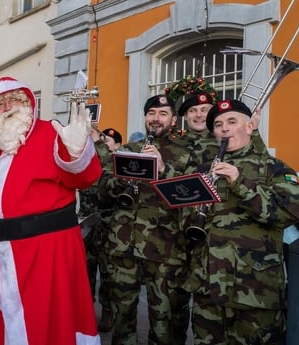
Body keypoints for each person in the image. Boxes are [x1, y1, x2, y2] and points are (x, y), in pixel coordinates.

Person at [0, 77, 102, 344]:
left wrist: (77, 152)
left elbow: (82, 178)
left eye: (15, 100)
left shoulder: (50, 134)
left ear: (28, 104)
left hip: (45, 251)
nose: (8, 107)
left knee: (45, 324)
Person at [183, 99, 299, 344]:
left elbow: (292, 213)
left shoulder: (274, 168)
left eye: (231, 121)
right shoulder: (203, 170)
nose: (224, 129)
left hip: (255, 290)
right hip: (208, 286)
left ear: (250, 127)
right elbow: (185, 223)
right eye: (218, 125)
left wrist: (240, 183)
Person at [98, 94, 198, 344]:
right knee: (123, 316)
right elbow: (103, 190)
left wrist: (164, 170)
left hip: (165, 250)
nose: (156, 119)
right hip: (124, 247)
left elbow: (191, 198)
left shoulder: (186, 154)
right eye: (152, 113)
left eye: (163, 114)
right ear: (145, 117)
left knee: (162, 319)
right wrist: (124, 176)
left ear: (174, 119)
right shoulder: (128, 150)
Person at [80, 126, 122, 333]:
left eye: (108, 142)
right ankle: (85, 312)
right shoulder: (89, 164)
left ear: (117, 146)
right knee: (85, 272)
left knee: (108, 274)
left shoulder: (116, 165)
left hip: (108, 227)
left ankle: (107, 312)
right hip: (87, 225)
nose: (103, 145)